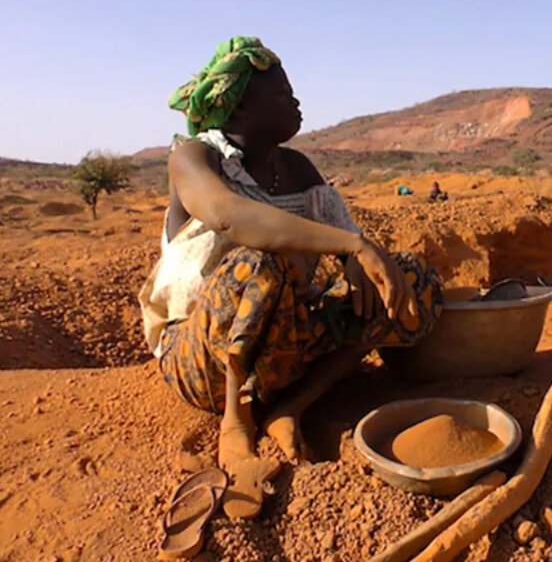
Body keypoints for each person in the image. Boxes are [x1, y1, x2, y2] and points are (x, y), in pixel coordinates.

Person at [138, 37, 444, 482]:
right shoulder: (195, 157)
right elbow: (229, 217)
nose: (297, 103)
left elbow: (351, 245)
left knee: (408, 276)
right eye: (283, 94)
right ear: (241, 108)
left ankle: (291, 407)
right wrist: (351, 246)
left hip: (285, 348)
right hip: (202, 357)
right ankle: (235, 422)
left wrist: (356, 257)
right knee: (261, 261)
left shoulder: (298, 169)